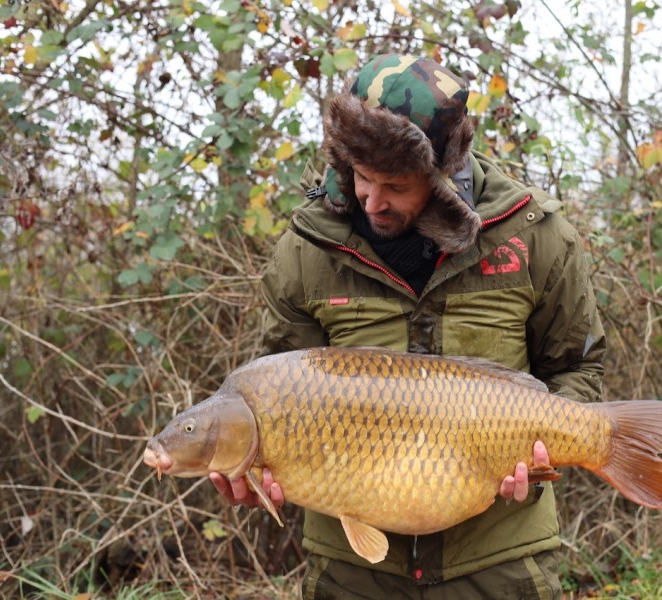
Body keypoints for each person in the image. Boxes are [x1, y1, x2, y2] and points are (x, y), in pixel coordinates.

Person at [210, 53, 606, 599]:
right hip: (353, 572)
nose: (372, 201)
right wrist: (255, 470)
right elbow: (279, 394)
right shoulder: (304, 252)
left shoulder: (535, 236)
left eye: (395, 185)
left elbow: (579, 367)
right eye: (360, 177)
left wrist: (541, 455)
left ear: (444, 177)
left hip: (498, 560)